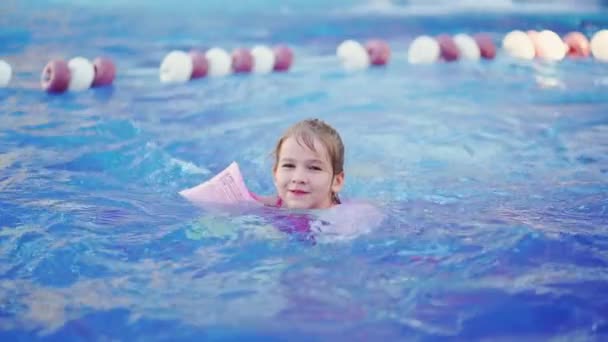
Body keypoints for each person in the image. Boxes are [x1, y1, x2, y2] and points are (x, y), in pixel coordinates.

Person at [252, 118, 345, 210]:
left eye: (314, 168)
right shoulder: (268, 206)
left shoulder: (344, 218)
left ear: (337, 181)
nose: (298, 178)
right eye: (289, 165)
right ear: (275, 174)